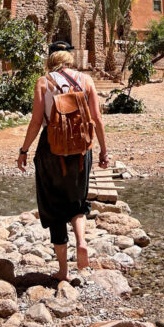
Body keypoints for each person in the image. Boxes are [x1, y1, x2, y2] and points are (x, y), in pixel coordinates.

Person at [17, 41, 109, 281]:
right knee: (77, 201)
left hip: (51, 149)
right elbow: (97, 119)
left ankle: (63, 270)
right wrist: (103, 151)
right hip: (80, 149)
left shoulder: (44, 82)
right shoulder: (86, 81)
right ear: (69, 57)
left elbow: (36, 122)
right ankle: (81, 242)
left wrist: (24, 149)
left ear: (50, 59)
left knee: (53, 206)